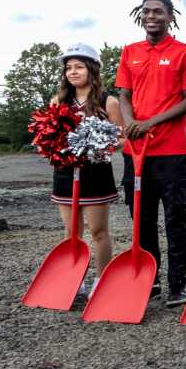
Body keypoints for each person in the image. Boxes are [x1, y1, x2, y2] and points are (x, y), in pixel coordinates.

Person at [115, 0, 186, 306]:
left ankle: (177, 284)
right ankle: (149, 280)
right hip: (136, 153)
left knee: (175, 217)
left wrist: (150, 122)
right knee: (141, 217)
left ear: (170, 16)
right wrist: (130, 122)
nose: (151, 16)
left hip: (171, 153)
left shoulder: (184, 53)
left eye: (158, 12)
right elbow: (124, 94)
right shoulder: (130, 52)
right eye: (147, 11)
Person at [48, 42, 125, 297]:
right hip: (65, 173)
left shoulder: (109, 101)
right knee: (71, 231)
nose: (73, 72)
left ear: (92, 70)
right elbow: (48, 136)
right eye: (69, 67)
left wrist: (98, 145)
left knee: (98, 231)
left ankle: (101, 280)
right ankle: (74, 278)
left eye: (79, 66)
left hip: (95, 174)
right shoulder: (58, 101)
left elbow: (122, 138)